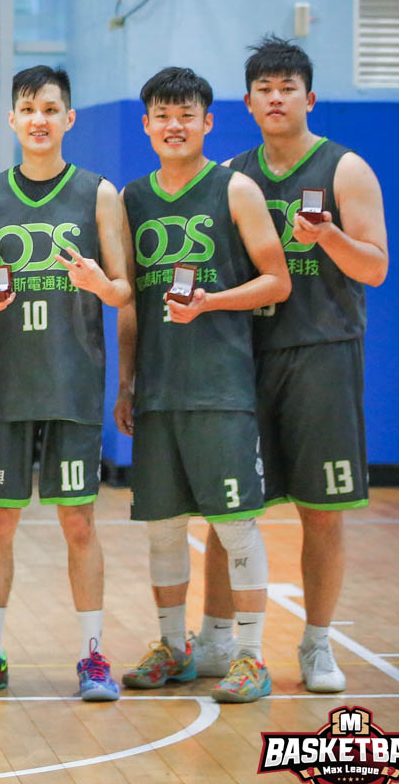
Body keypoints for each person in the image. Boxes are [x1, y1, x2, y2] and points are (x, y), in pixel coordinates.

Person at [196, 36, 388, 693]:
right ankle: (216, 638)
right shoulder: (231, 175)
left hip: (321, 354)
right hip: (245, 355)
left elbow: (376, 267)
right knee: (229, 509)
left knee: (322, 511)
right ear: (248, 103)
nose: (276, 99)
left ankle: (317, 644)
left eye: (288, 89)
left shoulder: (345, 169)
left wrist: (329, 235)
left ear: (310, 98)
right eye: (265, 90)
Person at [0, 66, 133, 702]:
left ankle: (92, 656)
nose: (39, 119)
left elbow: (124, 289)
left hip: (71, 380)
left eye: (51, 109)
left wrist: (99, 284)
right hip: (7, 382)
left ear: (68, 119)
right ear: (12, 119)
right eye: (28, 109)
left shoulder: (99, 193)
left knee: (78, 523)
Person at [115, 67, 291, 704]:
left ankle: (249, 657)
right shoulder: (132, 198)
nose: (175, 126)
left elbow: (277, 280)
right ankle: (173, 646)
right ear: (147, 125)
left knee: (236, 526)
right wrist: (126, 382)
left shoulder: (235, 189)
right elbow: (130, 302)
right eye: (163, 116)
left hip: (220, 387)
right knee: (162, 528)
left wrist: (212, 302)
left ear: (208, 122)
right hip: (158, 390)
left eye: (186, 115)